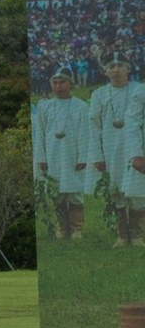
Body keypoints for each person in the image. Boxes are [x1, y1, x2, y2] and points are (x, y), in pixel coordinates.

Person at [89, 60, 145, 245]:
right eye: (111, 67)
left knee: (137, 188)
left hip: (136, 146)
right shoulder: (99, 94)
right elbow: (94, 127)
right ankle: (121, 234)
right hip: (110, 148)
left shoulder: (139, 90)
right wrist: (97, 155)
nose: (116, 70)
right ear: (105, 71)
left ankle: (136, 234)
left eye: (120, 65)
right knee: (116, 188)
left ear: (128, 68)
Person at [33, 71, 93, 239]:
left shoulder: (80, 106)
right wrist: (41, 158)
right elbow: (40, 135)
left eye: (62, 82)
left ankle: (76, 229)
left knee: (74, 192)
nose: (58, 86)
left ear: (70, 84)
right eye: (55, 83)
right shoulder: (44, 107)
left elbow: (84, 134)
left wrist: (82, 158)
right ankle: (62, 228)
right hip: (52, 156)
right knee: (56, 192)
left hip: (73, 155)